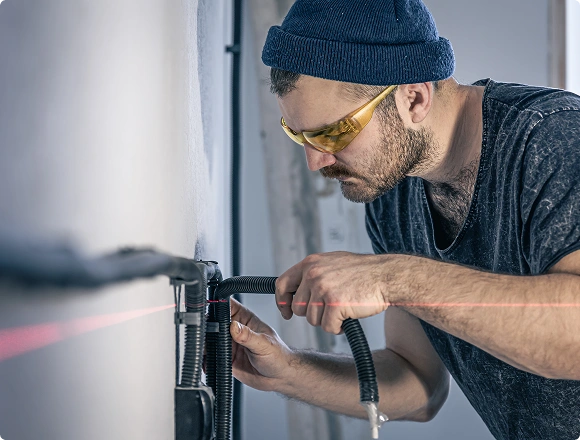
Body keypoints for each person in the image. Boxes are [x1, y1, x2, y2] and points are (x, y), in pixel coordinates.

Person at [229, 1, 580, 438]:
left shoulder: (555, 140)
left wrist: (392, 278)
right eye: (299, 134)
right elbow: (418, 382)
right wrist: (286, 369)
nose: (316, 162)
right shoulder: (392, 193)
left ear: (414, 97)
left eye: (333, 132)